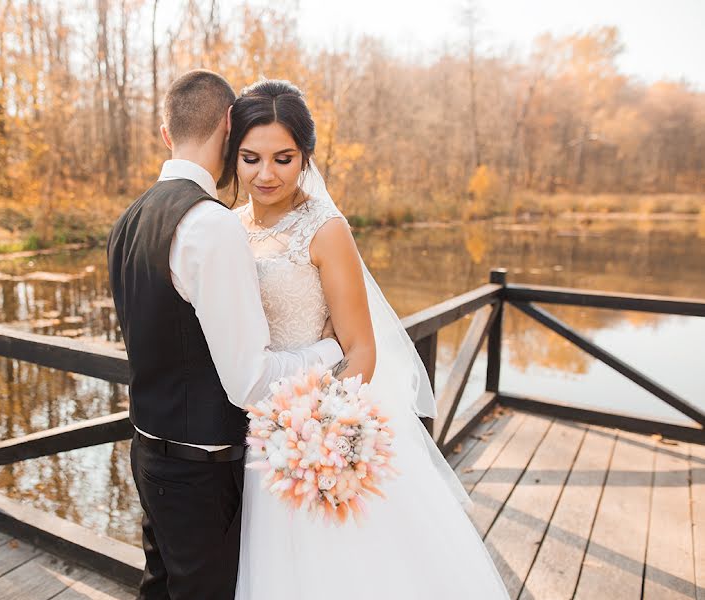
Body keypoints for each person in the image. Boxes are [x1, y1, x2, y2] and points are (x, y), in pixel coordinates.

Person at [220, 79, 511, 599]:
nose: (266, 174)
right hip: (248, 432)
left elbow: (360, 349)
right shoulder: (226, 228)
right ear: (233, 156)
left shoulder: (325, 229)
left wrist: (318, 434)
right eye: (251, 158)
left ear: (306, 157)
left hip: (306, 438)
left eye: (283, 159)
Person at [106, 70, 344, 600]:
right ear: (231, 128)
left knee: (160, 588)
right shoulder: (213, 225)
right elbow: (250, 382)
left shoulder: (130, 217)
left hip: (147, 452)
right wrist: (331, 348)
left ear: (167, 133)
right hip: (200, 471)